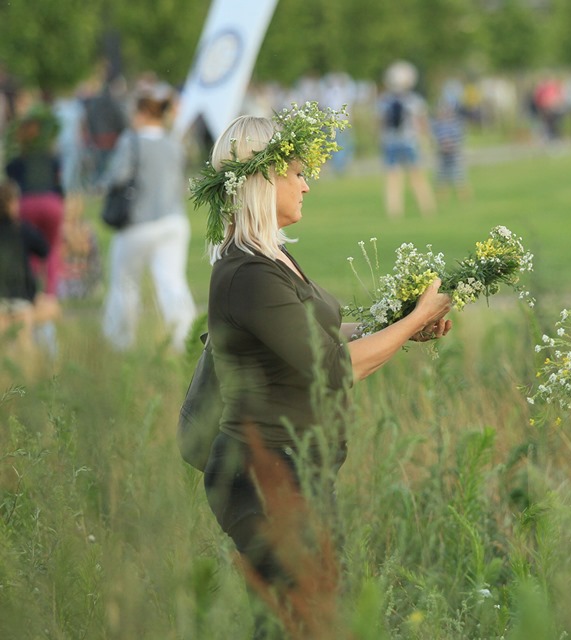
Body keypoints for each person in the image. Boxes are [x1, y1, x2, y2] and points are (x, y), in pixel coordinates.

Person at [192, 103, 452, 638]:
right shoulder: (247, 271)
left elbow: (315, 337)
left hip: (296, 469)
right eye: (297, 173)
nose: (307, 185)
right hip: (263, 474)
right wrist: (420, 316)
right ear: (264, 178)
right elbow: (331, 369)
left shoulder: (272, 258)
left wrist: (400, 325)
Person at [99, 83, 196, 353]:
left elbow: (117, 177)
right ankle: (184, 339)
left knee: (125, 282)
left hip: (139, 223)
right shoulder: (174, 143)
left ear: (141, 111)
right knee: (172, 281)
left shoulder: (131, 141)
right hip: (173, 220)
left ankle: (120, 341)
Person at [4, 106, 65, 300]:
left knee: (28, 247)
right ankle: (51, 293)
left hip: (27, 203)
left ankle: (30, 292)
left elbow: (9, 177)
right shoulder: (51, 158)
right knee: (52, 248)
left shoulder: (17, 160)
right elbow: (59, 184)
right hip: (52, 204)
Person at [0, 180, 60, 369]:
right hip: (22, 298)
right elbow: (43, 249)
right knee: (25, 347)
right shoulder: (22, 229)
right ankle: (34, 381)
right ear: (11, 204)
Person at [378, 60, 436, 218]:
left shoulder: (385, 100)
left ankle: (394, 211)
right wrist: (428, 138)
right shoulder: (413, 100)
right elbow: (421, 121)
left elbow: (379, 122)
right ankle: (427, 208)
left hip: (390, 141)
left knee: (392, 177)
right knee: (417, 175)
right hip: (409, 141)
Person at [430, 98, 471, 203]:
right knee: (441, 179)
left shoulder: (455, 124)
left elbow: (460, 138)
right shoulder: (437, 125)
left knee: (459, 178)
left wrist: (451, 145)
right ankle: (442, 200)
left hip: (454, 156)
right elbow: (434, 139)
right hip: (442, 156)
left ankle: (464, 199)